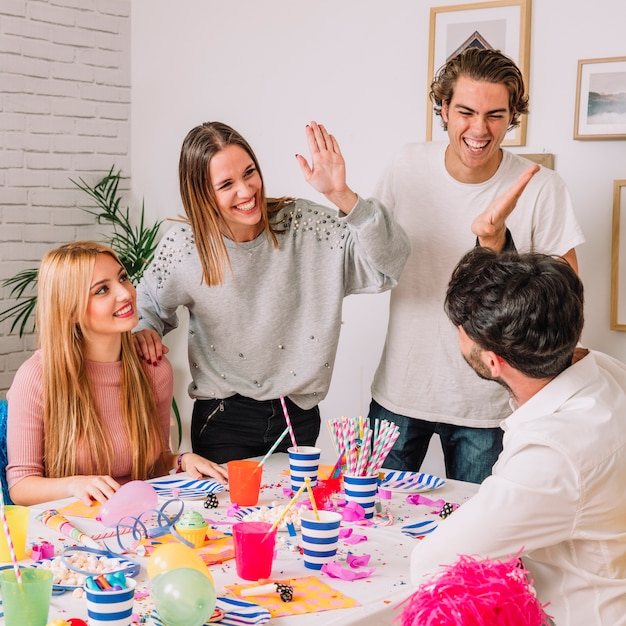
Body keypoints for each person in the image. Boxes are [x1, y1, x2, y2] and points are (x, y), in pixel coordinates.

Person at [132, 121, 410, 464]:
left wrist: (342, 195)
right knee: (231, 518)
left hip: (298, 416)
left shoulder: (305, 227)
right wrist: (144, 329)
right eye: (227, 184)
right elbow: (146, 303)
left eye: (250, 173)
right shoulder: (186, 247)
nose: (247, 191)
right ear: (202, 194)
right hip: (223, 418)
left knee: (292, 515)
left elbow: (389, 265)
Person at [368, 47, 585, 483]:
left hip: (488, 407)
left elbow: (565, 306)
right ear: (443, 109)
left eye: (496, 115)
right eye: (465, 111)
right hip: (400, 393)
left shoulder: (542, 188)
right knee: (363, 520)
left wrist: (497, 243)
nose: (479, 129)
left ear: (513, 117)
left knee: (476, 542)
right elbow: (372, 263)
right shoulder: (406, 165)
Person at [409, 247, 626, 626]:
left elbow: (435, 561)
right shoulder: (610, 371)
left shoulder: (555, 453)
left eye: (460, 333)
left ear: (493, 362)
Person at [6, 242, 227, 506]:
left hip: (140, 521)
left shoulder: (154, 369)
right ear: (71, 310)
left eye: (123, 278)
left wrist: (181, 460)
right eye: (102, 290)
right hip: (71, 527)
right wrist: (76, 484)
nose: (125, 293)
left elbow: (154, 464)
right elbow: (21, 486)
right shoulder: (37, 377)